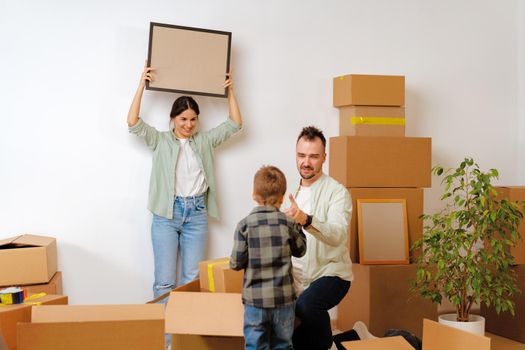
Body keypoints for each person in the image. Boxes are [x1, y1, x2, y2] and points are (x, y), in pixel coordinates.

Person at [127, 61, 243, 300]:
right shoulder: (160, 140)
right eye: (183, 119)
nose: (189, 125)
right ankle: (167, 339)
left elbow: (235, 123)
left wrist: (230, 90)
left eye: (193, 119)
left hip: (197, 213)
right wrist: (141, 85)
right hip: (166, 214)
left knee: (192, 280)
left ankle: (183, 338)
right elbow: (133, 122)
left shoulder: (205, 141)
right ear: (173, 119)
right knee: (164, 282)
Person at [283, 126, 353, 350]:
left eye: (313, 156)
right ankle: (352, 337)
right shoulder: (290, 191)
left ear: (324, 157)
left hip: (331, 274)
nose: (306, 162)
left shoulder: (337, 192)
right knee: (293, 341)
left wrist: (306, 219)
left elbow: (338, 234)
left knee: (307, 305)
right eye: (302, 155)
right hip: (296, 278)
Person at [230, 165, 307, 350]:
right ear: (282, 198)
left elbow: (235, 263)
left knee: (255, 346)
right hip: (284, 301)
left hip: (255, 303)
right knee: (283, 345)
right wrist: (298, 225)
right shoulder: (288, 223)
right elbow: (301, 250)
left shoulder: (244, 226)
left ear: (253, 195)